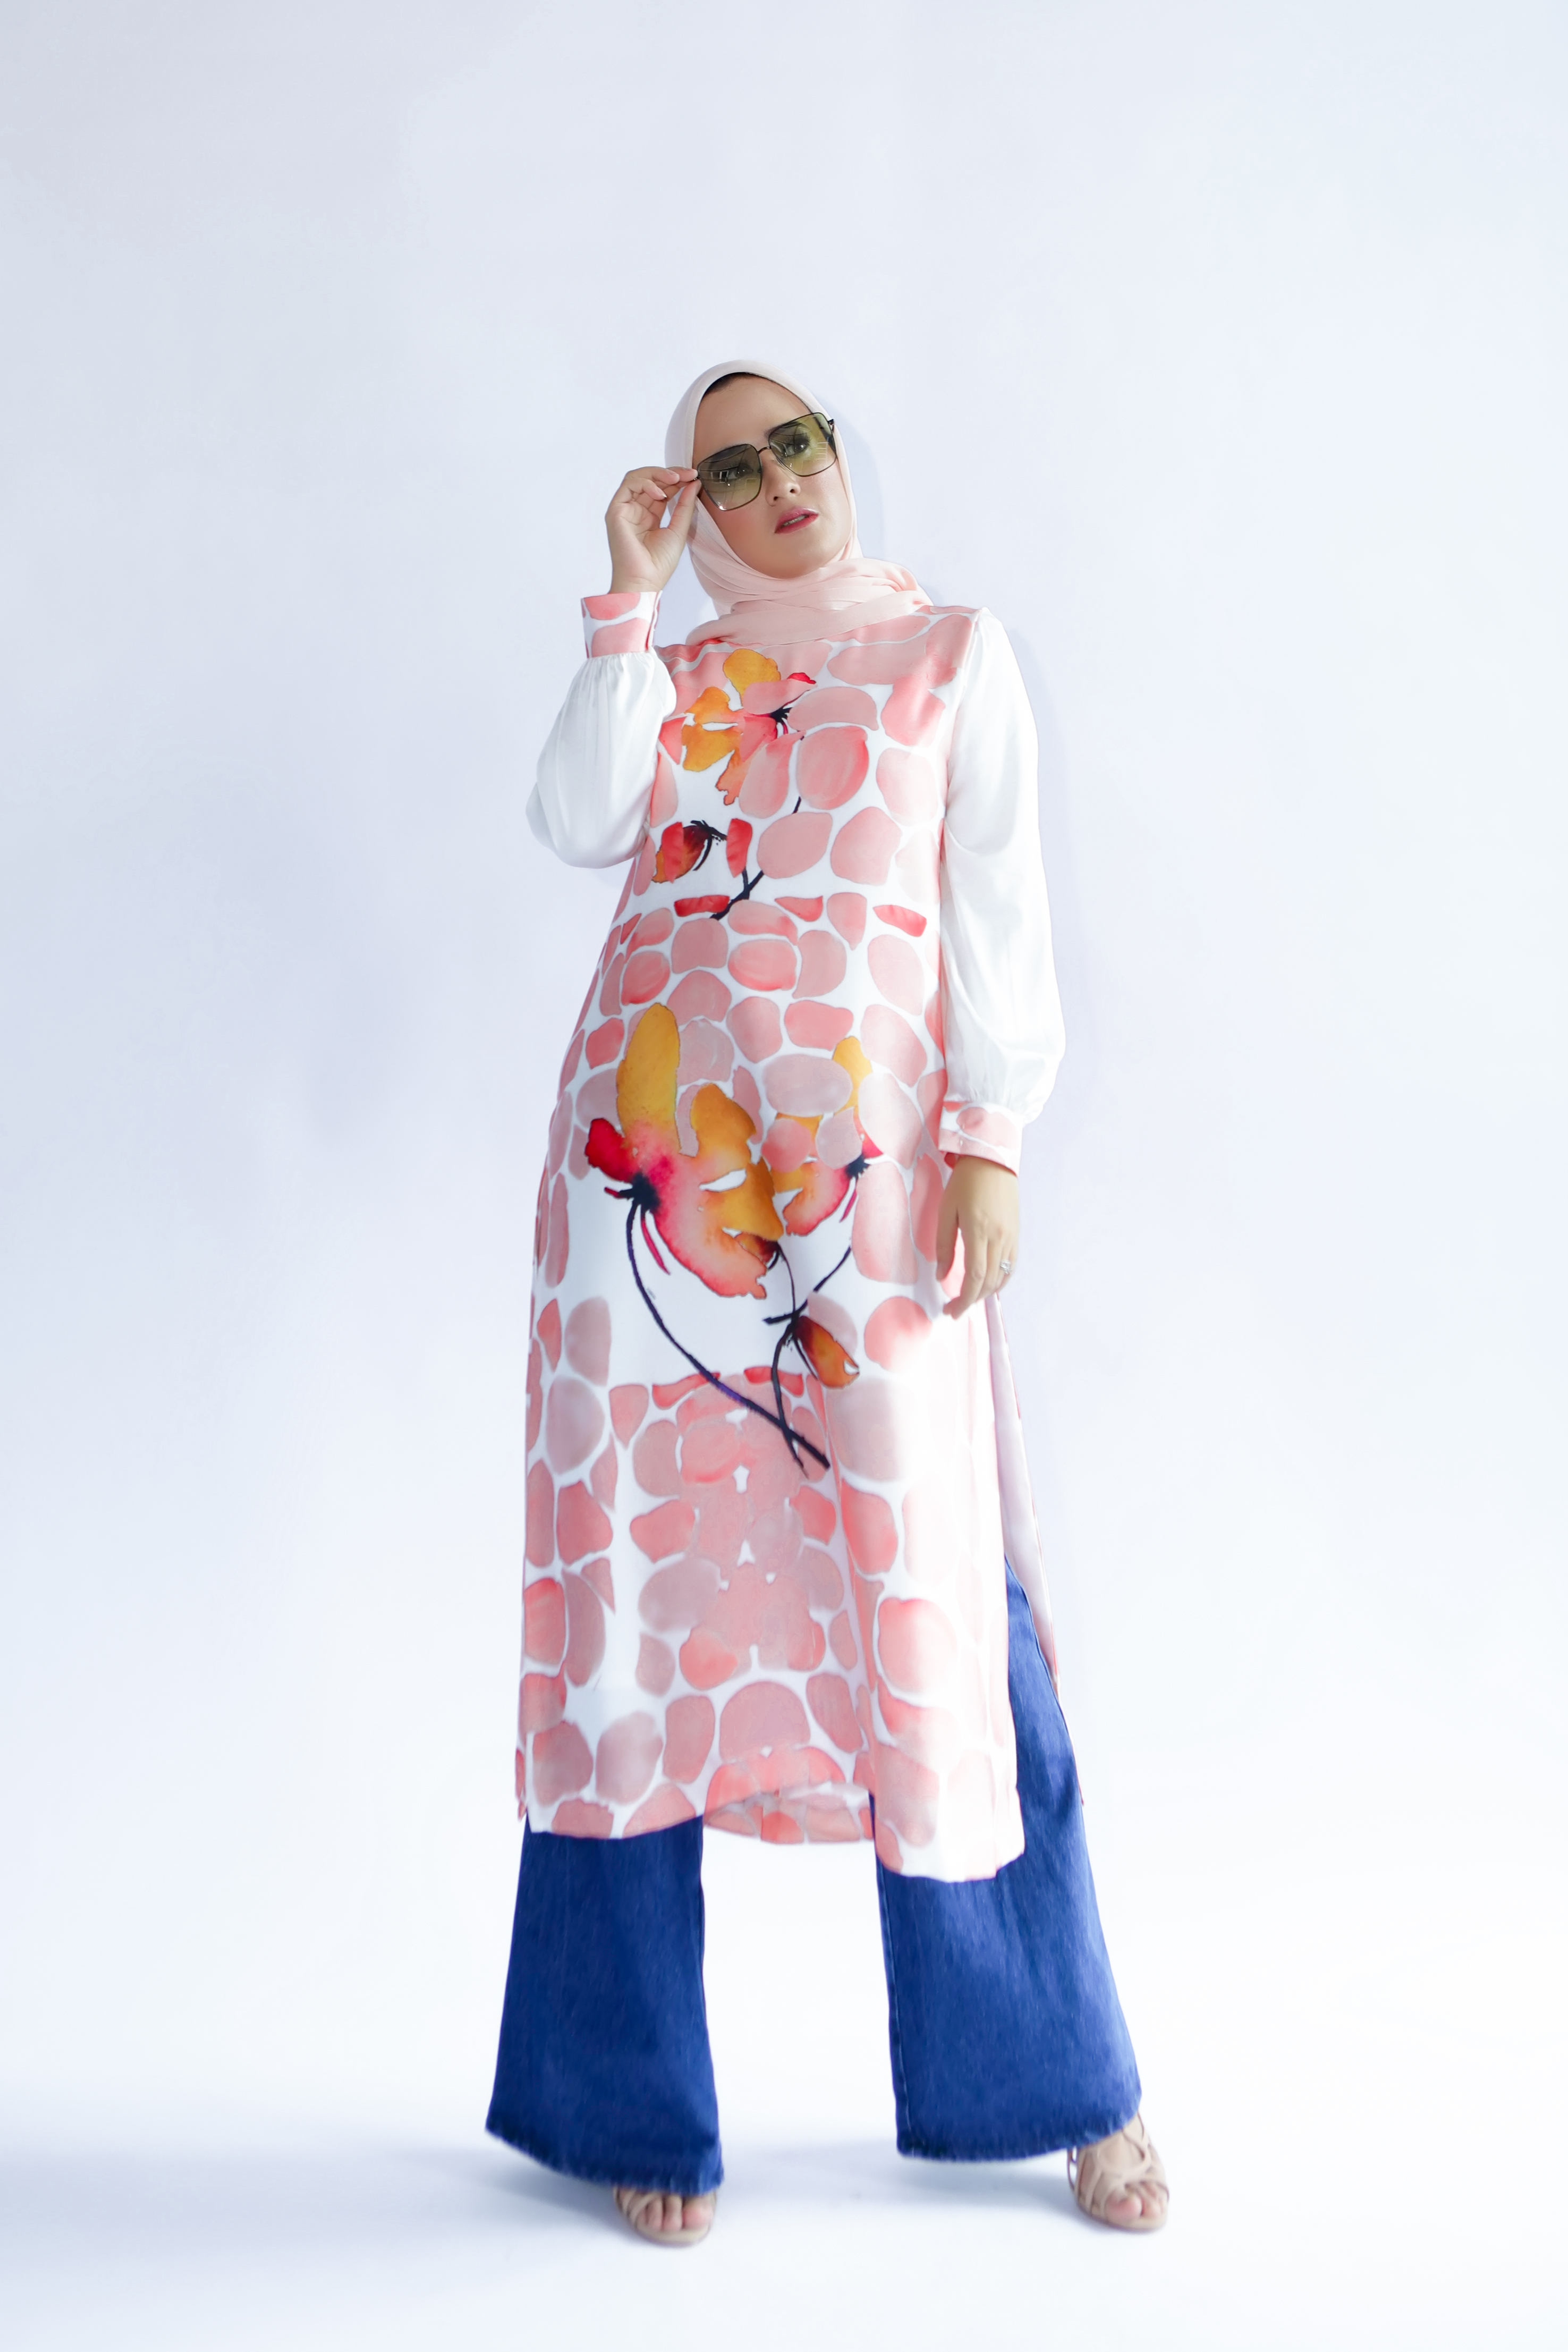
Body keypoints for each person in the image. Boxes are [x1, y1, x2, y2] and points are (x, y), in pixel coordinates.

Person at [487, 361, 1169, 2245]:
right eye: (732, 467)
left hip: (868, 1207)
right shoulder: (675, 671)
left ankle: (1063, 2077)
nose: (782, 480)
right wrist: (626, 602)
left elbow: (997, 902)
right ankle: (622, 2091)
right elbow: (575, 815)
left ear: (843, 461)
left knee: (939, 1591)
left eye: (801, 443)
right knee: (628, 1616)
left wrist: (990, 1136)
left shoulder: (952, 657)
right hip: (649, 1218)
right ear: (694, 506)